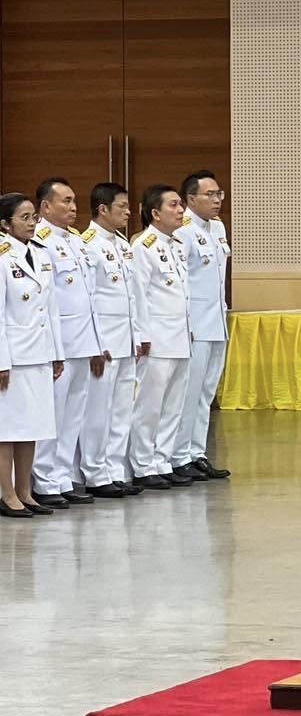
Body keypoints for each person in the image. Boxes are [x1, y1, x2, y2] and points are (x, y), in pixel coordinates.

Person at [30, 178, 105, 509]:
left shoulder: (75, 241)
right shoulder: (38, 240)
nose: (73, 207)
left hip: (83, 340)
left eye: (75, 201)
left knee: (74, 413)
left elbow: (89, 297)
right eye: (66, 201)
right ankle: (44, 479)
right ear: (46, 206)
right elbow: (47, 303)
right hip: (59, 343)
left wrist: (97, 342)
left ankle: (63, 474)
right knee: (54, 413)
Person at [76, 184, 151, 497]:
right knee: (98, 410)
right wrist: (95, 342)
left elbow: (134, 296)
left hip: (126, 338)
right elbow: (89, 298)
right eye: (122, 206)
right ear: (103, 209)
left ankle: (114, 469)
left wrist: (140, 334)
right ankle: (94, 472)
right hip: (105, 341)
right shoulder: (88, 244)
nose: (129, 211)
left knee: (121, 407)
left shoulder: (122, 243)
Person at [0, 194, 65, 519]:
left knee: (32, 426)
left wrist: (57, 353)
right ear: (5, 224)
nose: (31, 223)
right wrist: (1, 361)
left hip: (39, 352)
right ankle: (7, 493)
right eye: (24, 217)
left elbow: (51, 309)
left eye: (32, 217)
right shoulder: (1, 257)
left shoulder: (40, 254)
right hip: (13, 356)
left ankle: (26, 491)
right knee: (8, 429)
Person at [129, 185, 194, 492]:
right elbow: (138, 295)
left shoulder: (177, 244)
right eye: (173, 205)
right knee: (150, 405)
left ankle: (162, 460)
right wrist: (141, 336)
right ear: (155, 213)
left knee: (173, 405)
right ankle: (142, 464)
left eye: (181, 204)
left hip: (180, 336)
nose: (180, 210)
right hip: (156, 339)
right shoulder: (144, 246)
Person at [176, 171, 231, 482]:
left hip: (216, 321)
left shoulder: (218, 227)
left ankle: (197, 453)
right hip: (195, 325)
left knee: (206, 393)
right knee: (189, 392)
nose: (216, 200)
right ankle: (179, 454)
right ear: (190, 199)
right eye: (209, 195)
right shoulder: (183, 230)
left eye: (218, 193)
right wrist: (186, 324)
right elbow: (181, 282)